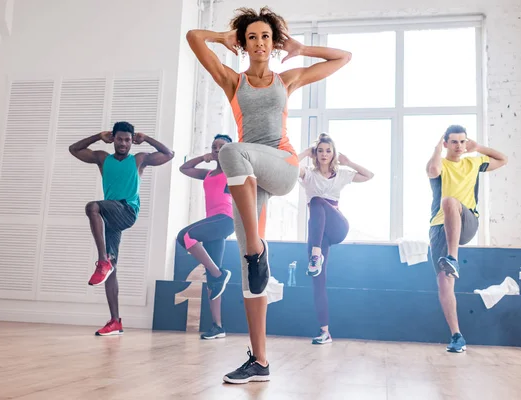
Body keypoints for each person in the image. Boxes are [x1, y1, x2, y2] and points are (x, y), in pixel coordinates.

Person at [186, 6, 351, 383]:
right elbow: (194, 38)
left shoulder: (286, 79)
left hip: (281, 166)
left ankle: (255, 248)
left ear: (272, 43)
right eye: (250, 38)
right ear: (243, 45)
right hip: (248, 178)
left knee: (229, 150)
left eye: (264, 37)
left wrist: (300, 48)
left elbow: (344, 58)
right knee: (250, 273)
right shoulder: (233, 81)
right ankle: (259, 360)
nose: (258, 43)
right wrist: (221, 38)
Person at [69, 121, 174, 336]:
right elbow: (74, 149)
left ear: (132, 141)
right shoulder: (102, 158)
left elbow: (169, 154)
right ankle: (115, 321)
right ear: (113, 139)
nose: (124, 143)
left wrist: (147, 139)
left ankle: (101, 262)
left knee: (92, 207)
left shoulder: (139, 160)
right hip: (109, 217)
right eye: (119, 139)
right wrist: (98, 135)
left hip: (126, 211)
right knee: (113, 268)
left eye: (128, 139)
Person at [426, 124, 507, 353]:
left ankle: (452, 258)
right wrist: (436, 149)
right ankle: (457, 336)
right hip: (439, 227)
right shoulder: (439, 163)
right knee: (444, 282)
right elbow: (432, 170)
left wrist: (478, 147)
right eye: (454, 142)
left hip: (467, 221)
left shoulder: (474, 162)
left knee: (450, 201)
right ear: (446, 144)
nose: (459, 146)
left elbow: (503, 159)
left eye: (463, 141)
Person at [298, 133, 373, 345]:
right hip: (318, 235)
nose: (324, 154)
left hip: (337, 226)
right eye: (320, 150)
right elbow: (288, 167)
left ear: (334, 154)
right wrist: (305, 152)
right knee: (318, 282)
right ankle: (325, 331)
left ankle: (315, 255)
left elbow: (369, 175)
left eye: (328, 150)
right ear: (315, 153)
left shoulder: (341, 174)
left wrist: (348, 162)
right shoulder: (309, 175)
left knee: (317, 202)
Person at [178, 134, 235, 340]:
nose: (217, 149)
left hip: (225, 220)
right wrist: (204, 157)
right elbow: (184, 169)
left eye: (222, 147)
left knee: (184, 235)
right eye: (214, 146)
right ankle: (218, 326)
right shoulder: (209, 174)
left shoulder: (232, 172)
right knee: (212, 276)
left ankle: (220, 275)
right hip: (213, 224)